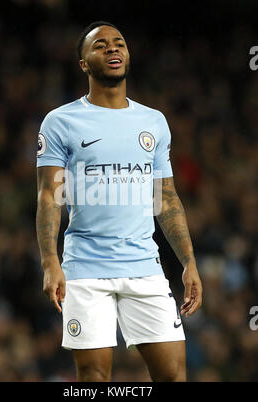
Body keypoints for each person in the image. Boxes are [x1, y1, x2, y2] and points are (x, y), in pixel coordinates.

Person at [36, 21, 202, 382]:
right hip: (86, 269)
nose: (112, 49)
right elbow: (49, 195)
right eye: (101, 45)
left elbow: (167, 198)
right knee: (94, 378)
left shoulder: (153, 122)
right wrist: (50, 261)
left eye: (119, 43)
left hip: (145, 267)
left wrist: (188, 262)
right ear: (84, 63)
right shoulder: (60, 121)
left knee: (174, 375)